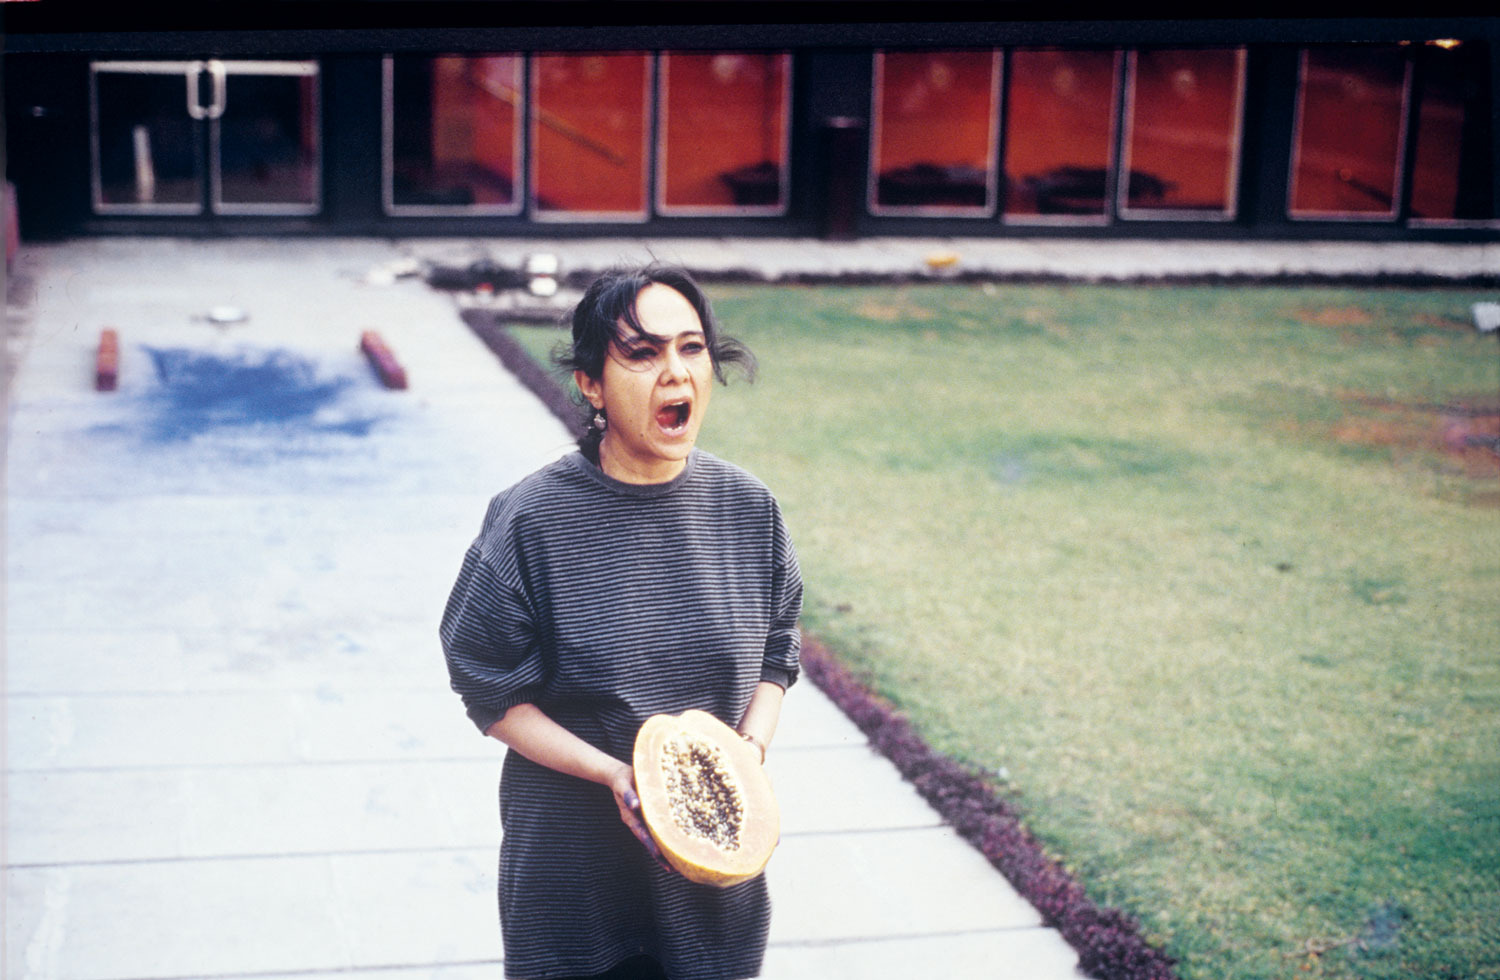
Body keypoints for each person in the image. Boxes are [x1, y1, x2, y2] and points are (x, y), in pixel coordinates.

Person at [440, 265, 803, 980]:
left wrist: (748, 754)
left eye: (691, 348)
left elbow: (777, 652)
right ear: (591, 385)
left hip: (713, 897)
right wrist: (615, 774)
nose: (675, 372)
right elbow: (489, 693)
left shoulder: (748, 508)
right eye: (642, 353)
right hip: (573, 883)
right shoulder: (531, 520)